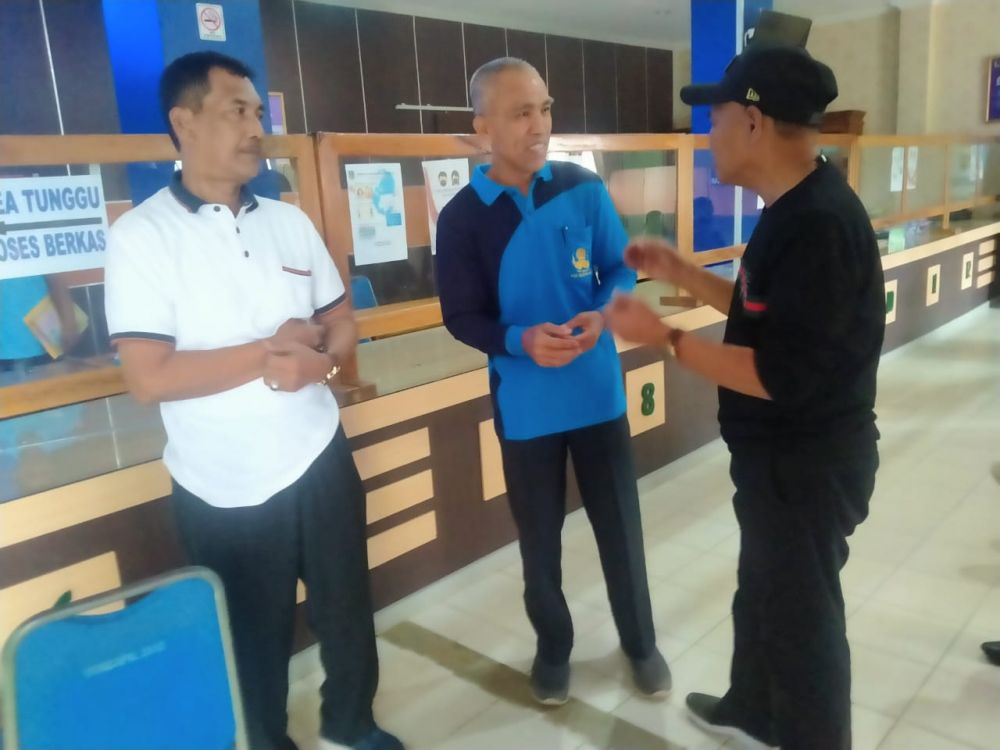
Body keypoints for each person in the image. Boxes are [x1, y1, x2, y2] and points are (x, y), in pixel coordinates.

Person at [104, 51, 402, 750]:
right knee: (251, 634)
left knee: (346, 610)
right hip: (221, 481)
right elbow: (149, 378)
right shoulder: (142, 236)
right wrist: (270, 353)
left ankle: (352, 725)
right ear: (184, 122)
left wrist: (324, 364)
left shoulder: (288, 222)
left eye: (257, 112)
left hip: (318, 455)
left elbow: (340, 318)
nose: (255, 127)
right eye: (236, 110)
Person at [605, 45, 884, 750]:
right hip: (778, 463)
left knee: (803, 623)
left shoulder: (819, 224)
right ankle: (753, 706)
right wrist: (684, 274)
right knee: (761, 590)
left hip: (807, 468)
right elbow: (767, 314)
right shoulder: (794, 207)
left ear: (754, 122)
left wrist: (663, 338)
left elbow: (776, 372)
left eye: (717, 117)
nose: (709, 135)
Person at [434, 57, 670, 706]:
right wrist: (520, 341)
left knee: (621, 529)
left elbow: (620, 269)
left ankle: (640, 643)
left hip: (597, 393)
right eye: (520, 113)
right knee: (540, 543)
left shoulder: (582, 188)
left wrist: (602, 312)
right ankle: (553, 649)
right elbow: (461, 316)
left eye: (544, 109)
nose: (538, 125)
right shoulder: (461, 218)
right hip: (526, 405)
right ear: (483, 126)